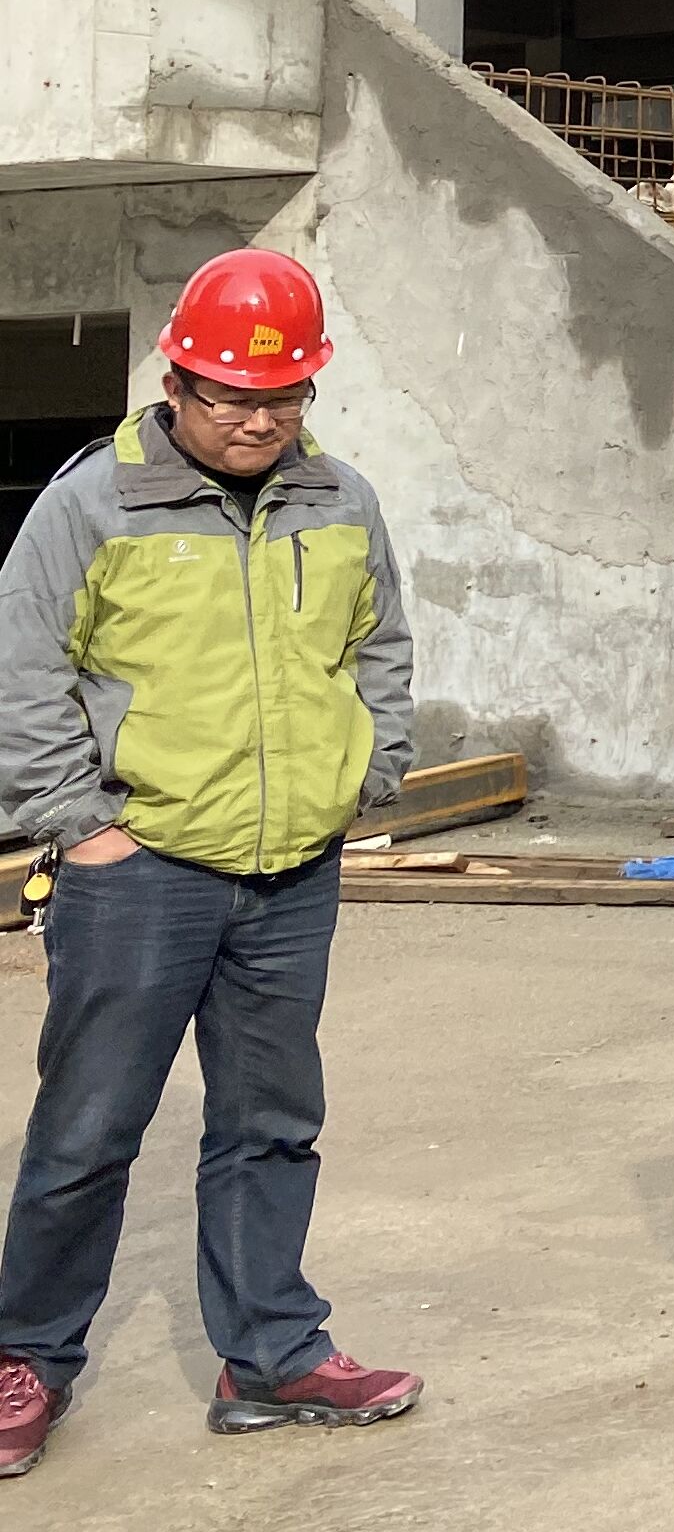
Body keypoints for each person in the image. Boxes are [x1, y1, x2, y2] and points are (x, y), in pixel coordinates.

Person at [0, 250, 422, 1484]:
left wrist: (369, 772)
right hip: (141, 872)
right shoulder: (93, 504)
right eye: (232, 395)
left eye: (282, 397)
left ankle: (272, 1354)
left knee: (272, 1123)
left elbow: (381, 643)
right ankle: (26, 1356)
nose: (256, 420)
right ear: (175, 380)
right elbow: (21, 671)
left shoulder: (340, 500)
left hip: (292, 874)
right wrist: (80, 824)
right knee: (88, 1130)